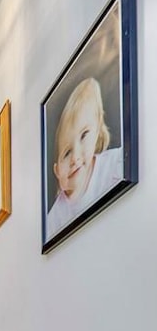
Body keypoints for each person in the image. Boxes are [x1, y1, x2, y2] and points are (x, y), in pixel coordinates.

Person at [47, 77, 123, 238]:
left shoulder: (114, 163)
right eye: (66, 153)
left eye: (83, 136)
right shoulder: (54, 218)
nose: (75, 157)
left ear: (97, 132)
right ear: (57, 171)